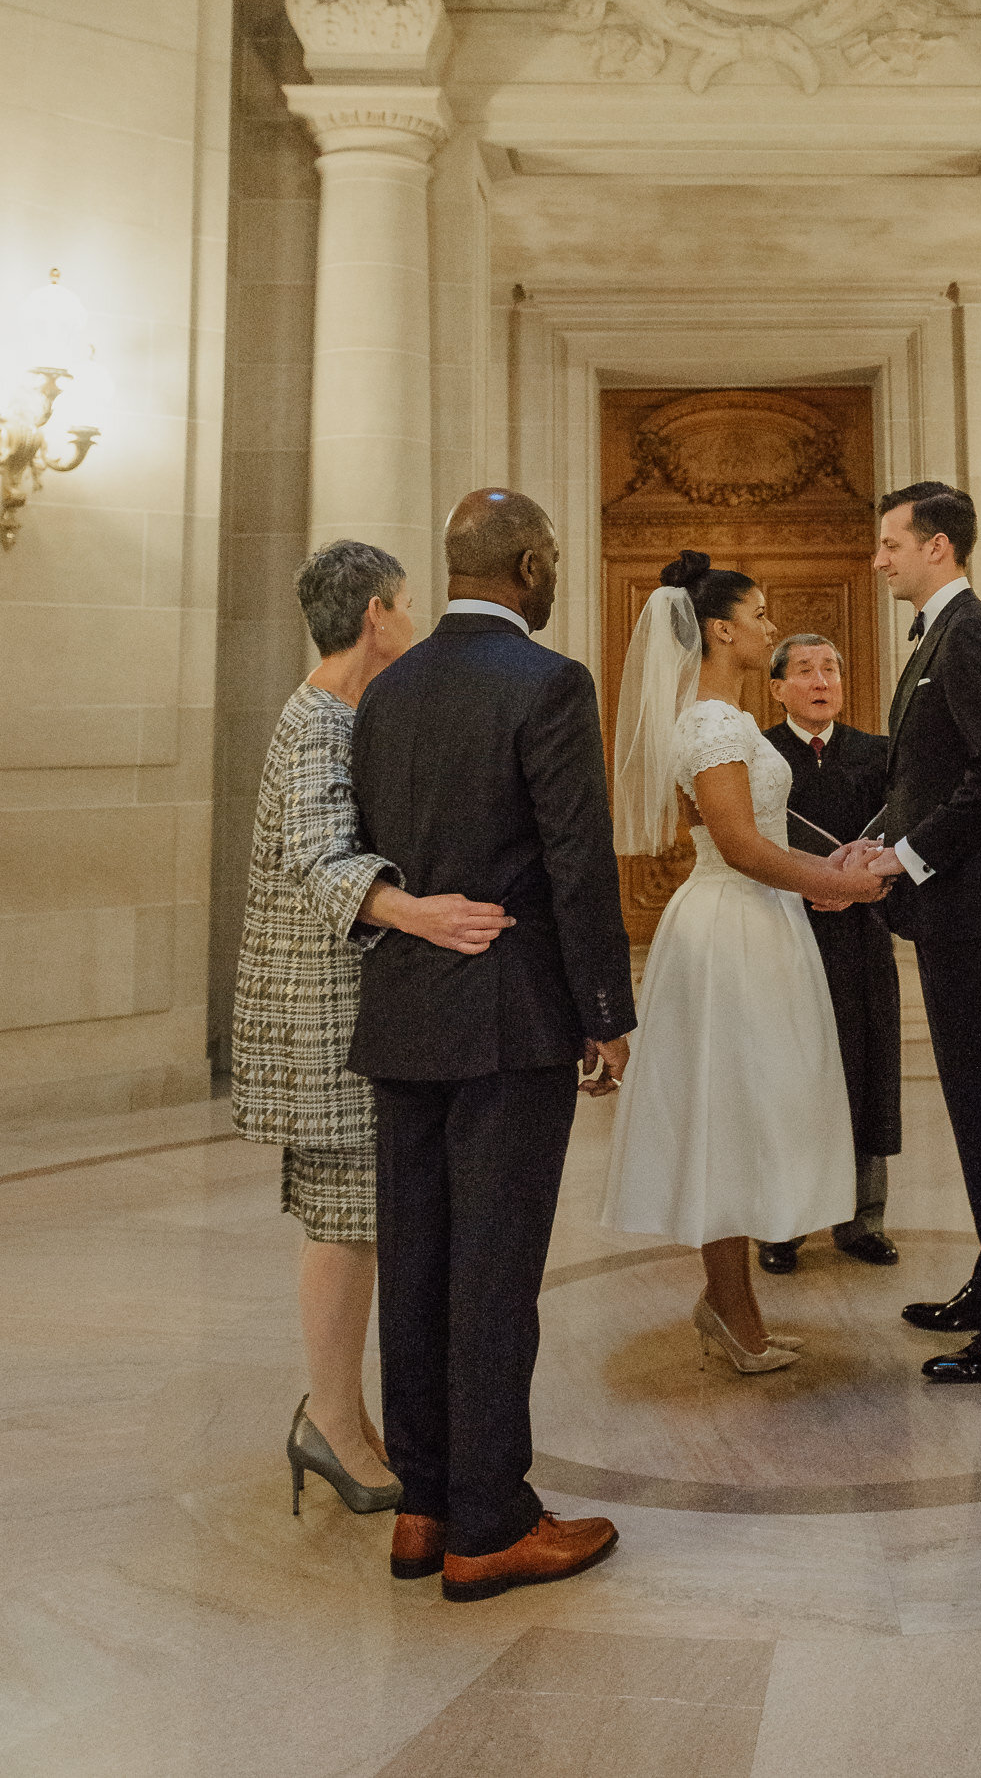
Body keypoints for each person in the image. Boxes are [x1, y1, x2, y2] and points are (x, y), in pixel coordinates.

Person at [349, 489, 635, 1603]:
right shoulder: (549, 682)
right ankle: (491, 1521)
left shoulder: (389, 687)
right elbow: (576, 860)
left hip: (404, 1009)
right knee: (494, 1274)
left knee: (418, 1263)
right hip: (509, 1017)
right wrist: (605, 1010)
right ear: (528, 566)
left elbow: (378, 846)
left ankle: (422, 1505)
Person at [231, 539, 514, 1517]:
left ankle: (342, 1412)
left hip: (356, 1009)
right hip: (323, 1012)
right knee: (345, 1220)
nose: (416, 618)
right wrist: (425, 912)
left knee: (357, 1215)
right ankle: (333, 1426)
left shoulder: (347, 710)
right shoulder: (317, 717)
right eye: (406, 603)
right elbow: (319, 859)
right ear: (374, 618)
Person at [600, 555, 890, 1371]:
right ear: (720, 629)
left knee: (749, 1105)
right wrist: (837, 882)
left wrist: (817, 886)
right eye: (759, 615)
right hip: (731, 924)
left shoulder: (721, 714)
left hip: (760, 919)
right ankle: (730, 1308)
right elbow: (737, 843)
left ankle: (734, 1304)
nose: (770, 626)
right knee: (729, 1110)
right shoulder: (713, 725)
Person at [834, 481, 981, 1387]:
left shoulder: (974, 632)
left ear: (938, 548)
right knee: (973, 1106)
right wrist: (877, 836)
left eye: (889, 544)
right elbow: (929, 771)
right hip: (947, 904)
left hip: (971, 906)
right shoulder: (937, 635)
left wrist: (908, 859)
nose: (877, 560)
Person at [758, 633, 901, 1274]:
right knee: (788, 1073)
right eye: (807, 671)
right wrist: (818, 880)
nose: (822, 681)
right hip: (786, 930)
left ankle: (861, 1218)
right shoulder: (758, 756)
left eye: (832, 669)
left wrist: (855, 883)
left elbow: (902, 825)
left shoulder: (878, 754)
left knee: (864, 1067)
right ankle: (781, 1223)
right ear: (778, 686)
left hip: (861, 932)